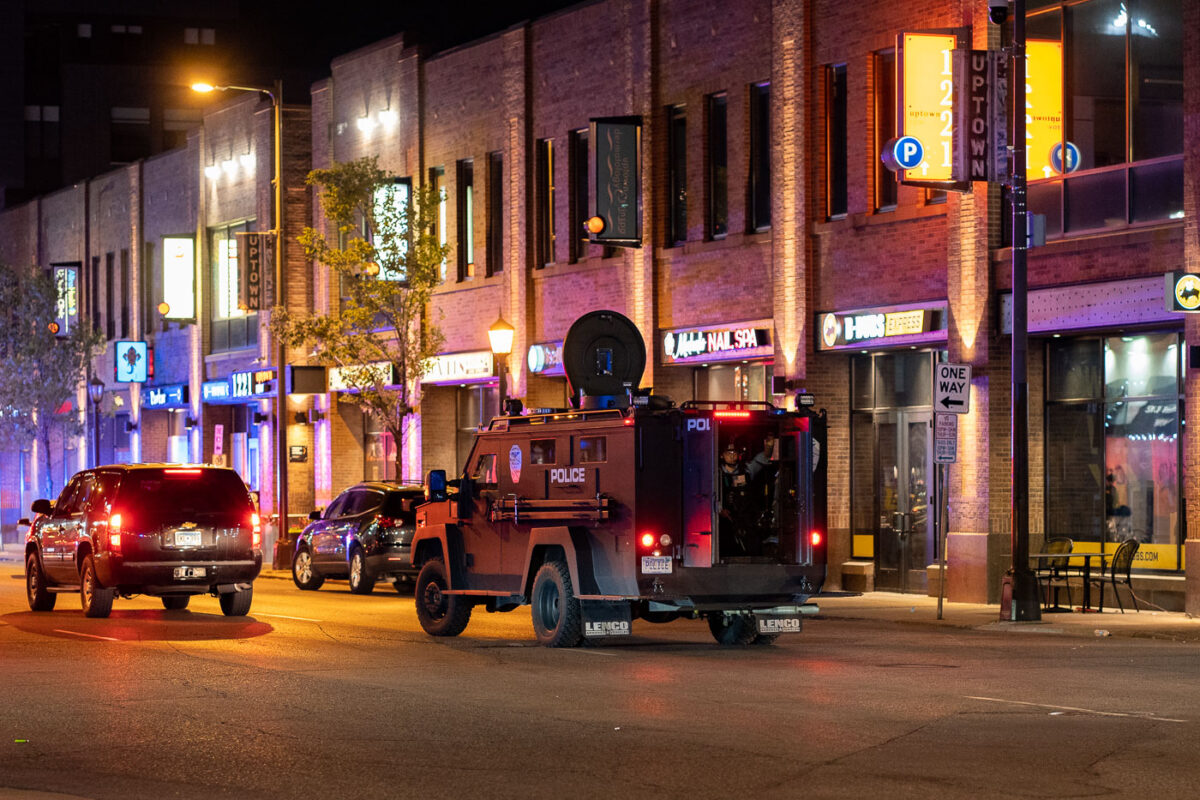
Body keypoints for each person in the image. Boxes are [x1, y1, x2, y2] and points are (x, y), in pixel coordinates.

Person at [718, 442, 751, 556]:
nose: (732, 456)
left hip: (742, 514)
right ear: (722, 455)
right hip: (723, 516)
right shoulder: (717, 473)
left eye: (734, 453)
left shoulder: (745, 471)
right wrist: (720, 510)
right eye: (728, 453)